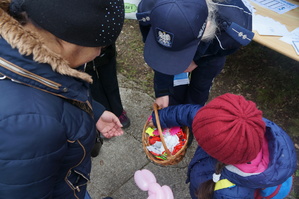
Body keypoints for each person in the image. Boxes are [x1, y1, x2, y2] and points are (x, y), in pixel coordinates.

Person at [0, 0, 124, 198]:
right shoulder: (28, 126)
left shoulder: (42, 62)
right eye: (101, 46)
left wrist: (93, 111)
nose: (100, 52)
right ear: (69, 41)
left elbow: (59, 90)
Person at [150, 93, 297, 199]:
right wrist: (161, 118)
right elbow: (194, 114)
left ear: (215, 152)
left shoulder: (231, 193)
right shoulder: (242, 123)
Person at [137, 0, 254, 108]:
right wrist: (162, 91)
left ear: (207, 26)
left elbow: (227, 48)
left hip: (211, 50)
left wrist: (198, 60)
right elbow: (160, 50)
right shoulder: (148, 8)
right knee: (175, 90)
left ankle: (192, 119)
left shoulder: (234, 27)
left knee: (199, 89)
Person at [85, 43, 131, 129]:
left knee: (110, 81)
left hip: (104, 47)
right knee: (92, 87)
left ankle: (118, 111)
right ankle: (103, 114)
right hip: (80, 53)